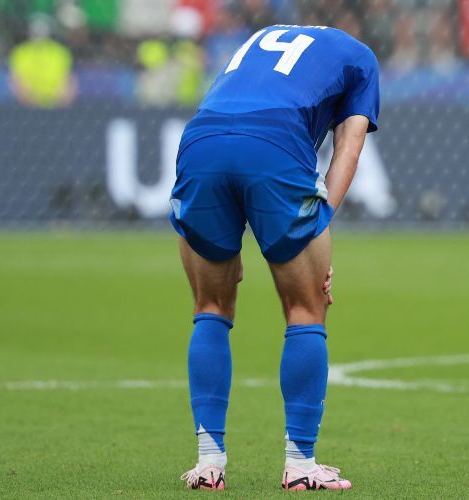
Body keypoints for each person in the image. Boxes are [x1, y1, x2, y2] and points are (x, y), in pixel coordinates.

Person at [170, 24, 379, 491]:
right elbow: (349, 143)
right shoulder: (360, 56)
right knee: (306, 308)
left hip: (202, 138)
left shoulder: (264, 32)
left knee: (210, 307)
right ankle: (301, 464)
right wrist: (321, 220)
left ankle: (208, 462)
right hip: (276, 142)